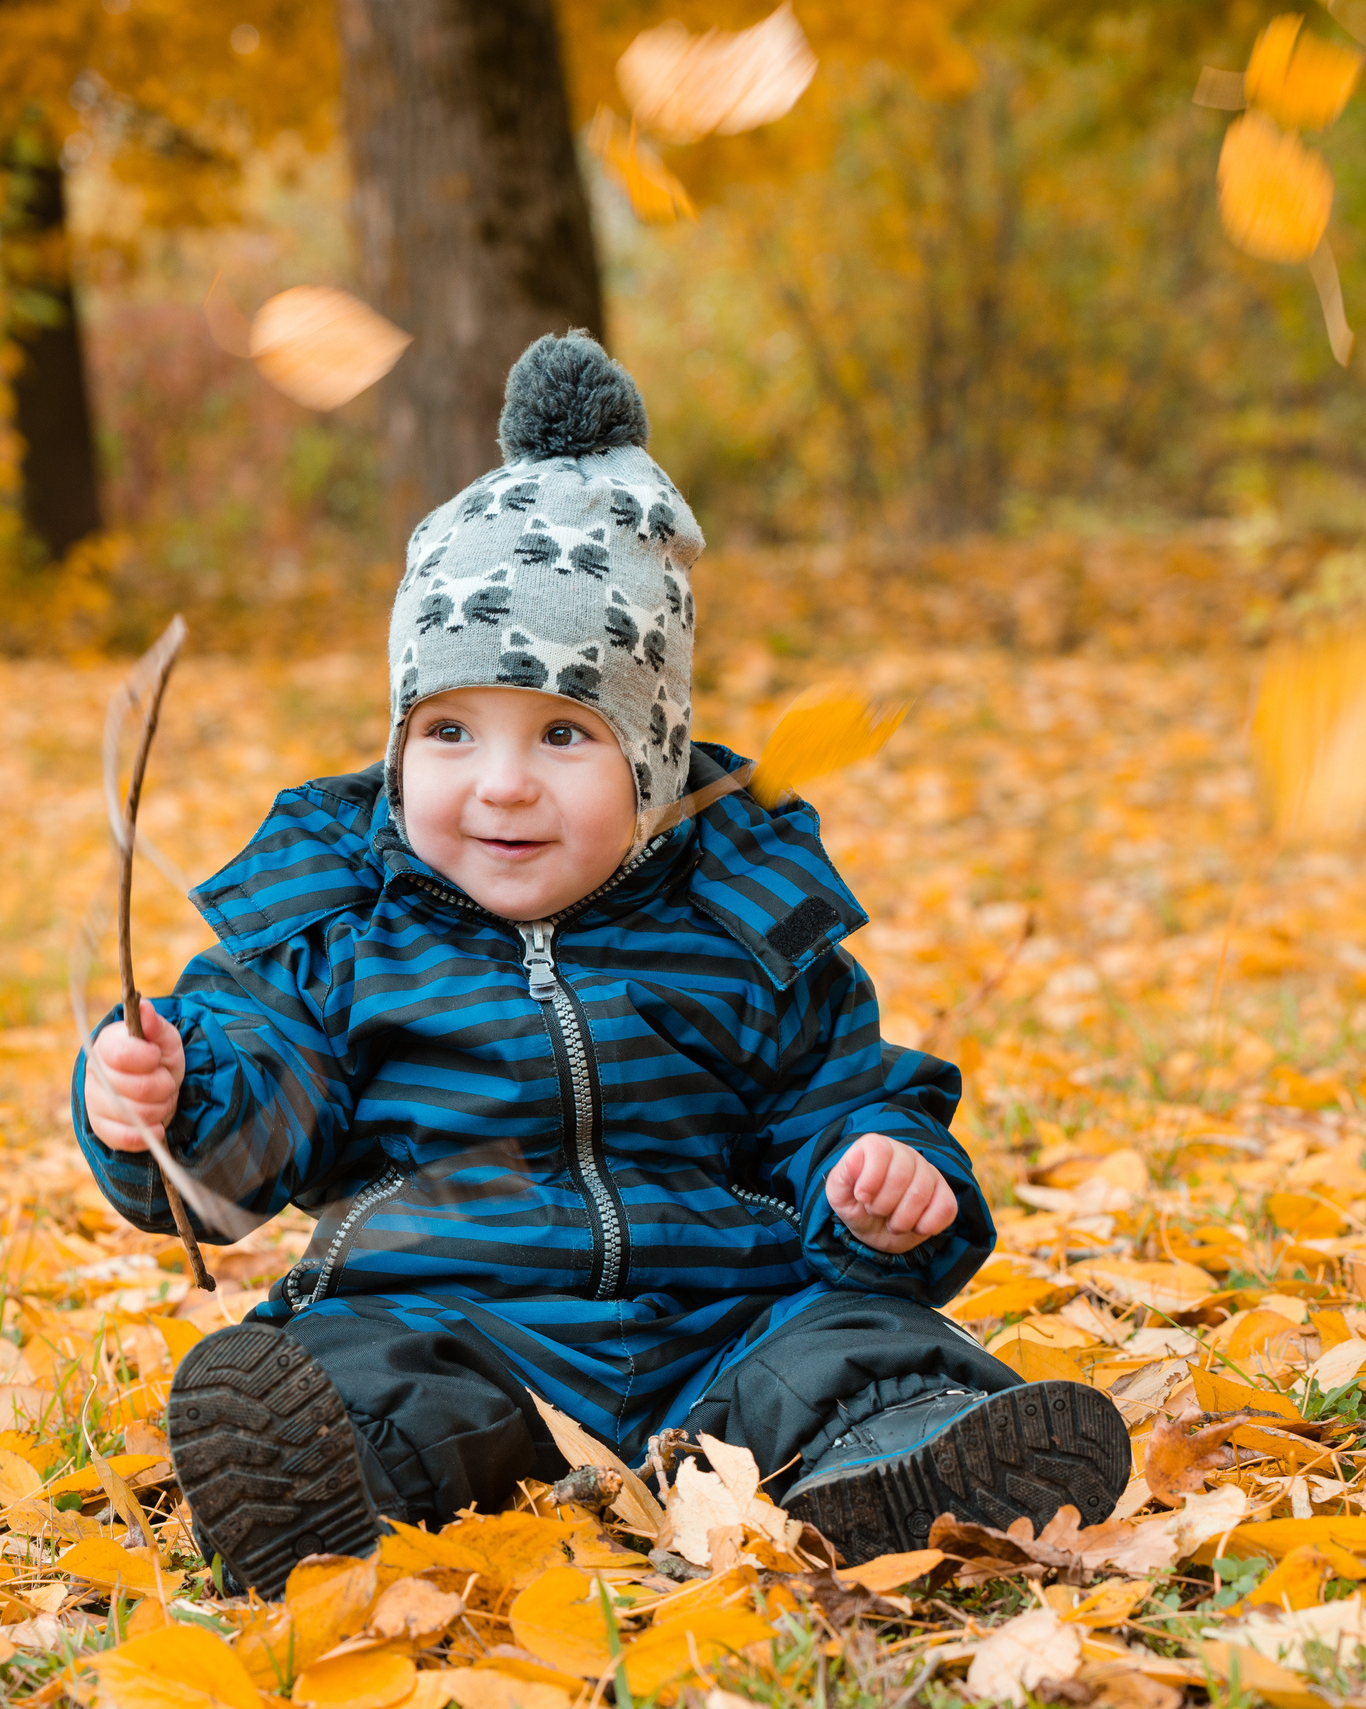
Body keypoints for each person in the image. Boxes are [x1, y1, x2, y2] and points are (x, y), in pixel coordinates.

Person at [74, 332, 1129, 1595]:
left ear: (653, 762)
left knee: (854, 1348)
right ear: (397, 742)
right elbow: (260, 1117)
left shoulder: (739, 920)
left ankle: (896, 1458)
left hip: (722, 1325)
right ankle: (320, 1483)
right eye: (449, 730)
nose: (501, 782)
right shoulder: (342, 932)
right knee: (364, 1371)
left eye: (563, 734)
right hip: (456, 1321)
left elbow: (840, 1096)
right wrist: (170, 1103)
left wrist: (881, 1182)